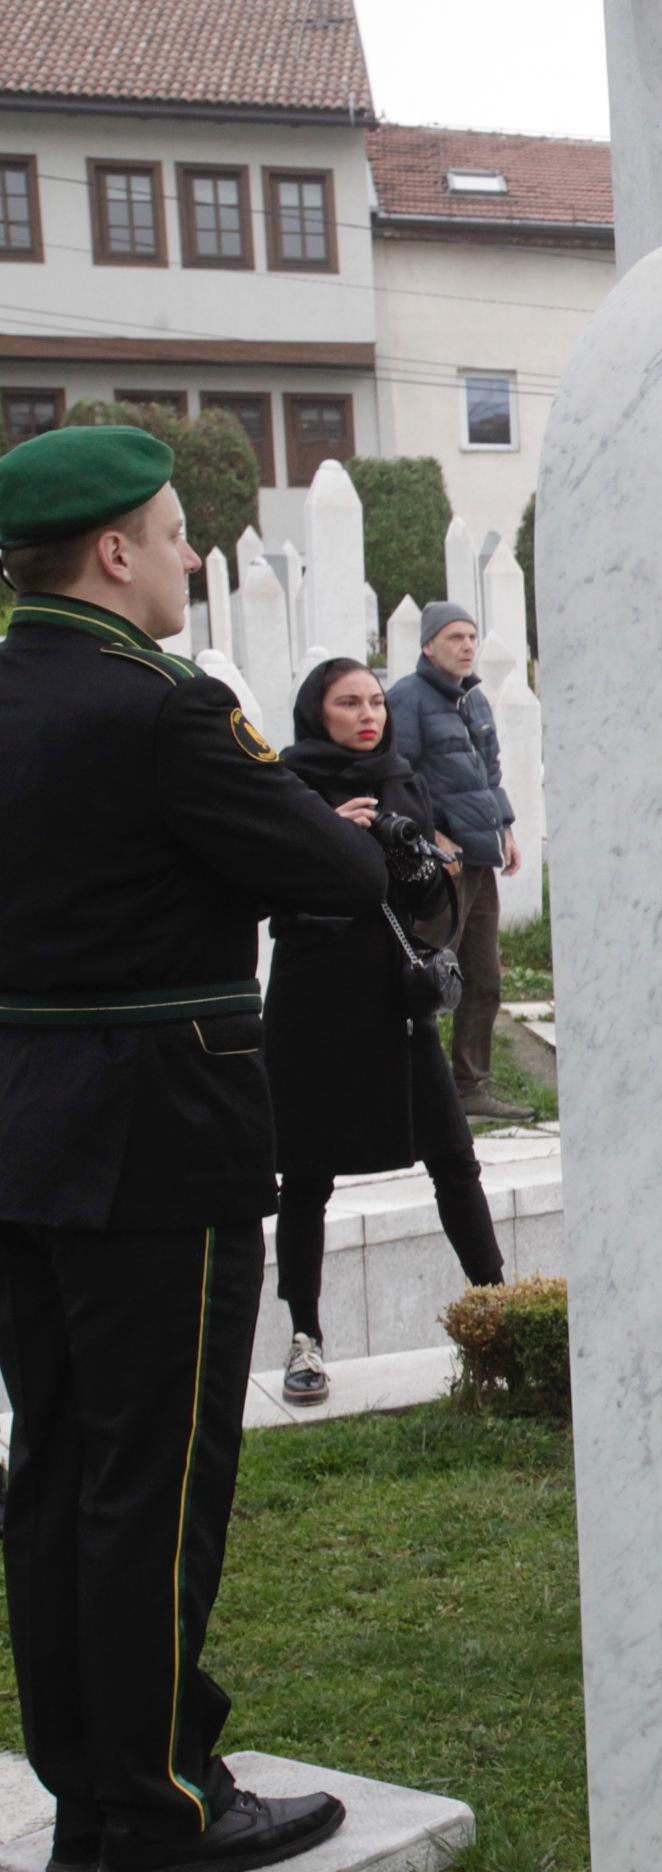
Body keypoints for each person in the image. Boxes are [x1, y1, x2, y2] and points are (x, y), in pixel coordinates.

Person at [0, 424, 385, 1872]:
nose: (184, 558)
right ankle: (160, 1801)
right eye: (171, 535)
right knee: (155, 1483)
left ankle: (91, 1792)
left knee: (54, 1473)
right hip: (160, 1132)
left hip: (22, 1128)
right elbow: (337, 868)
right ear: (112, 551)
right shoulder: (161, 706)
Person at [266, 659, 511, 1406]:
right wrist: (324, 839)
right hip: (314, 1000)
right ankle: (304, 1338)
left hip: (392, 1001)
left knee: (453, 1158)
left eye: (376, 700)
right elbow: (262, 889)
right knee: (307, 1177)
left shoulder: (403, 776)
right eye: (349, 703)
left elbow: (435, 904)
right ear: (318, 711)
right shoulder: (287, 784)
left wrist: (414, 854)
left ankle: (499, 1312)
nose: (369, 714)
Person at [385, 602, 530, 1123]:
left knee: (484, 976)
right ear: (428, 646)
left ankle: (470, 1087)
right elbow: (396, 774)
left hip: (479, 856)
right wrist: (431, 836)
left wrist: (505, 829)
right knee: (423, 975)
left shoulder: (475, 699)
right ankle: (402, 1092)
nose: (467, 646)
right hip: (439, 865)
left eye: (471, 636)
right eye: (454, 638)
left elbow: (488, 774)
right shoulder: (407, 698)